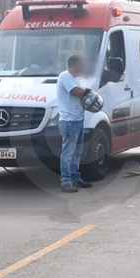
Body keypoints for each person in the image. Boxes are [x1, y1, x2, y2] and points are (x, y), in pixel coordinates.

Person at [56, 54, 94, 193]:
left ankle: (76, 179)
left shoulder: (75, 79)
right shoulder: (65, 76)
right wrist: (86, 90)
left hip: (78, 119)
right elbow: (76, 92)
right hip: (69, 121)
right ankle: (65, 182)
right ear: (75, 65)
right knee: (68, 153)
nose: (83, 68)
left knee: (77, 151)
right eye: (81, 65)